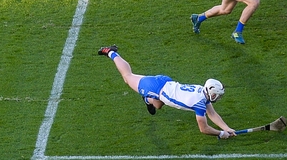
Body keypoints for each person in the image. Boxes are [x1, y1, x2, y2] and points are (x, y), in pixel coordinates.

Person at [97, 45, 237, 139]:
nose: (217, 98)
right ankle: (110, 52)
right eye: (216, 95)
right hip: (156, 88)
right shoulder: (199, 102)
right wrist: (221, 133)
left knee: (158, 105)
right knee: (128, 77)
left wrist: (227, 128)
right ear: (211, 92)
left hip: (164, 84)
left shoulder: (201, 90)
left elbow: (212, 113)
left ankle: (148, 100)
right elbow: (204, 129)